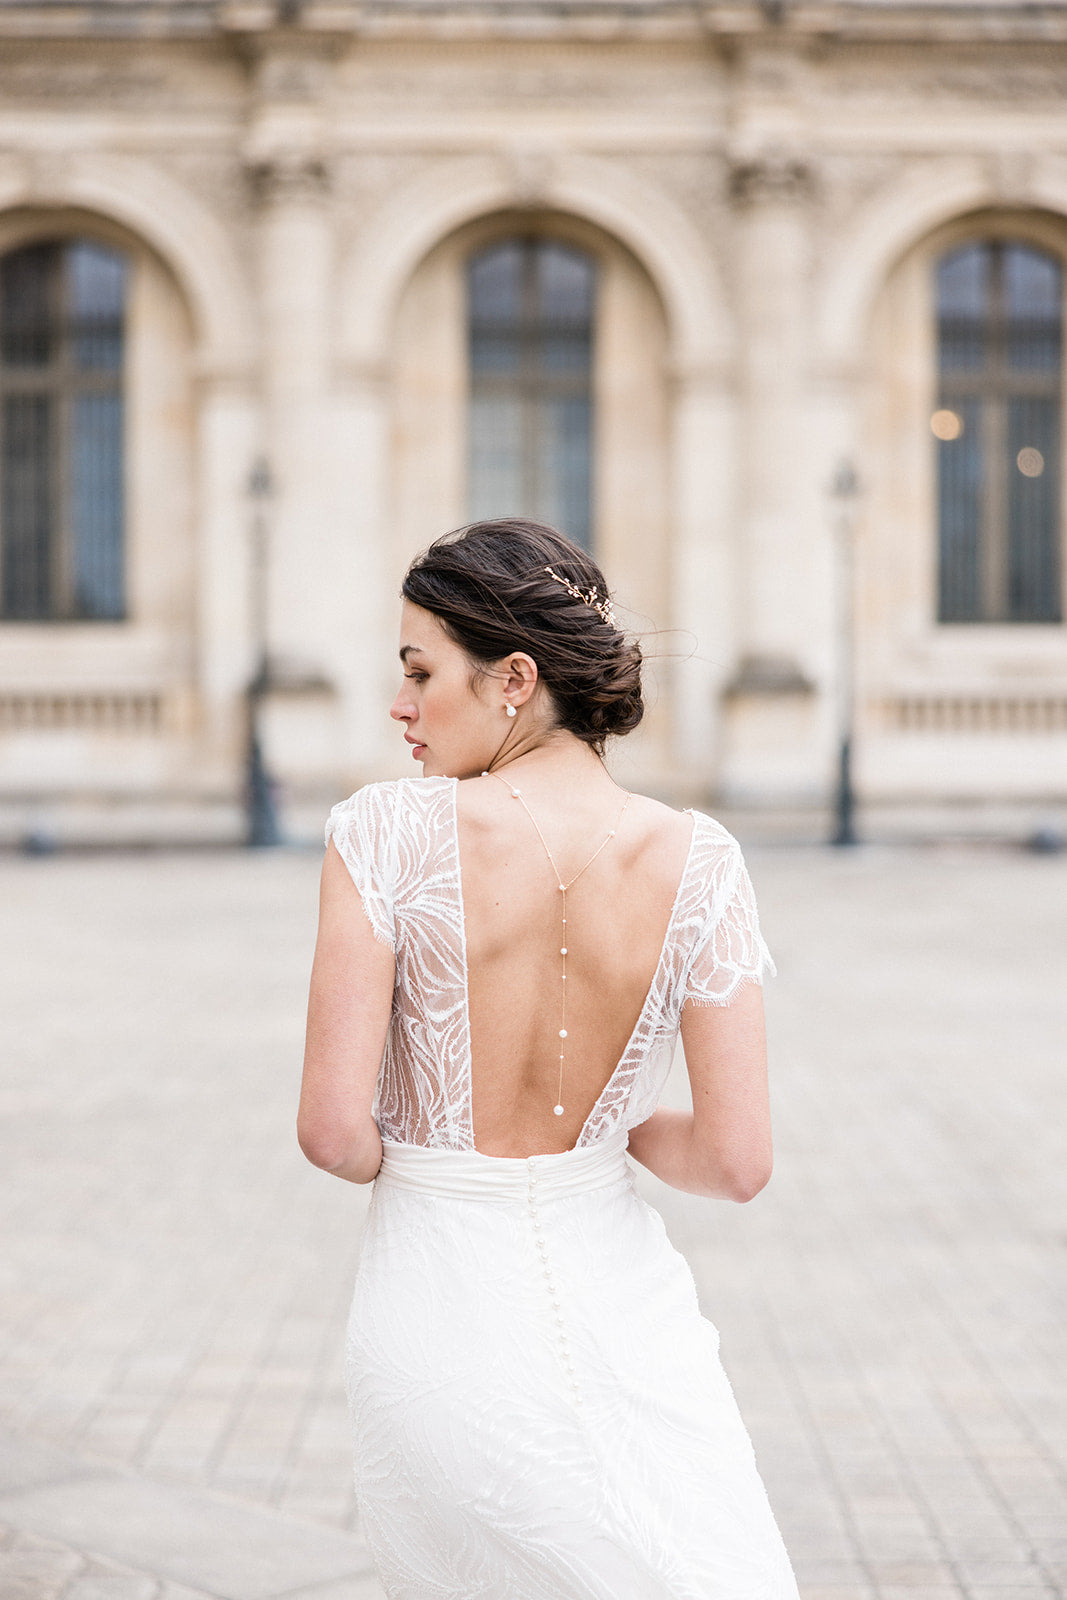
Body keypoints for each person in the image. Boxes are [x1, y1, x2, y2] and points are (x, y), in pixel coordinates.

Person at [298, 519, 799, 1600]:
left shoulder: (380, 834)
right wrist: (605, 1127)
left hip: (433, 1307)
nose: (398, 705)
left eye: (419, 671)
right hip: (624, 1309)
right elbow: (735, 1158)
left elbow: (333, 1133)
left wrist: (444, 1149)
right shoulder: (699, 860)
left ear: (513, 678)